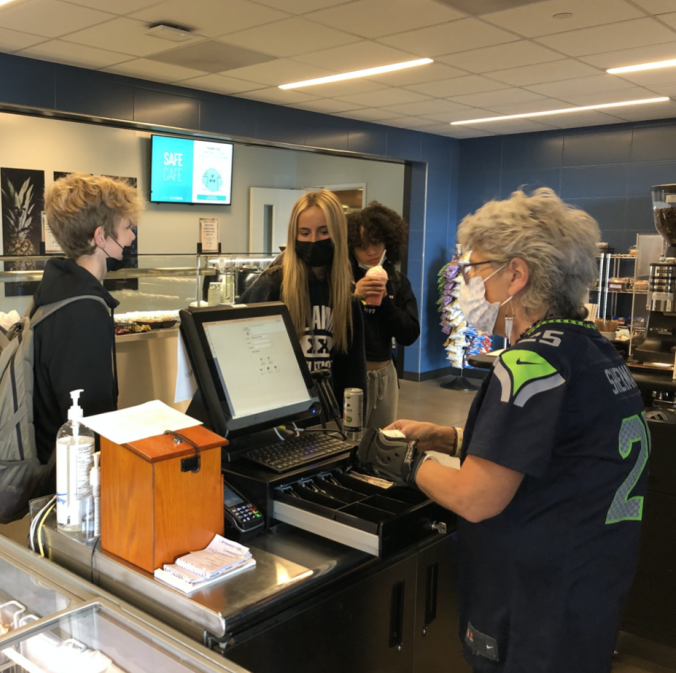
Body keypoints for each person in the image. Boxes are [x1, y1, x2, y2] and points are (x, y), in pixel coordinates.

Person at [370, 188, 648, 672]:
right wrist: (448, 438)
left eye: (475, 269)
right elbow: (561, 451)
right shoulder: (591, 350)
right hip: (589, 583)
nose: (467, 283)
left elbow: (478, 497)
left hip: (535, 597)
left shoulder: (528, 361)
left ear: (516, 274)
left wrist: (404, 459)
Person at [33, 172, 141, 468]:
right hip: (71, 476)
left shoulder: (55, 289)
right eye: (127, 227)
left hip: (49, 456)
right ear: (100, 237)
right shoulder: (85, 312)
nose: (131, 236)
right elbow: (90, 416)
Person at [240, 189, 366, 408]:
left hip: (329, 416)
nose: (314, 240)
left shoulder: (346, 294)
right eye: (305, 233)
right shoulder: (271, 286)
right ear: (294, 235)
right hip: (280, 415)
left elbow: (353, 369)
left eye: (323, 231)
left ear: (338, 233)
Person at [348, 201, 419, 428]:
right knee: (347, 444)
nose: (371, 251)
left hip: (386, 374)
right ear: (350, 247)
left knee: (381, 442)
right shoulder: (343, 281)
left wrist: (386, 301)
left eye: (376, 243)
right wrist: (353, 295)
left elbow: (409, 334)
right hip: (350, 376)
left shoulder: (397, 281)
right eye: (362, 245)